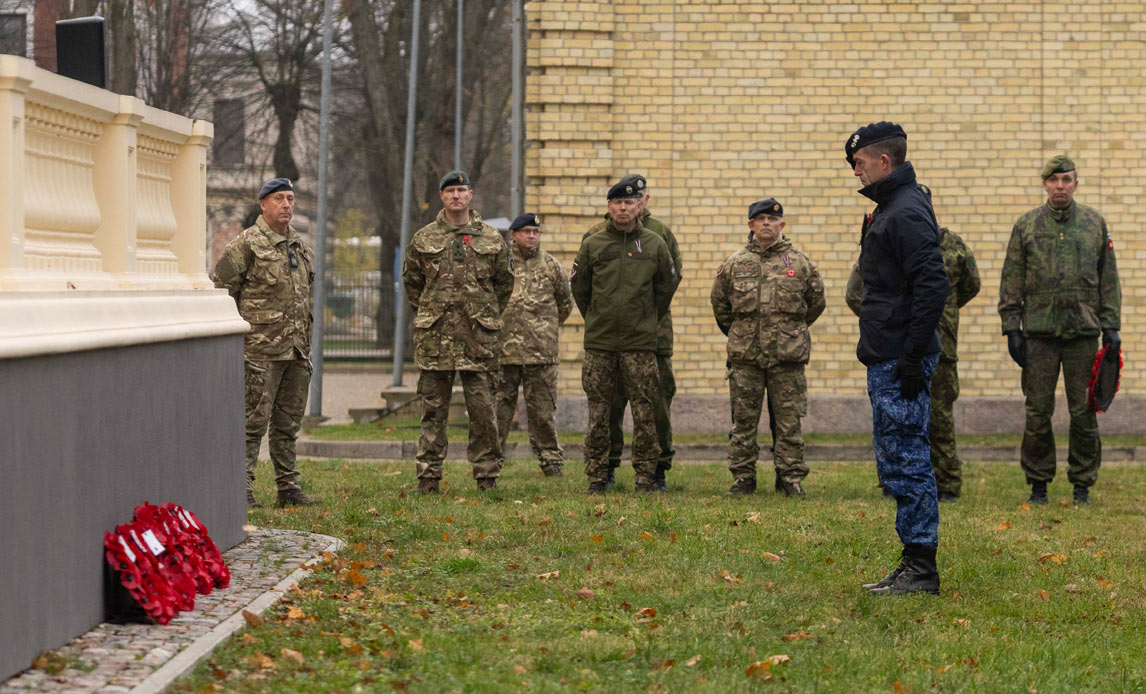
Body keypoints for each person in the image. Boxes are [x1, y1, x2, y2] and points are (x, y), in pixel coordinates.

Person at [844, 122, 950, 595]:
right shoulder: (892, 206)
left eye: (859, 165)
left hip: (898, 359)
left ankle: (922, 569)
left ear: (883, 162)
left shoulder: (904, 210)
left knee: (907, 460)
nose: (857, 175)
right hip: (887, 354)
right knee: (896, 459)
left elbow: (934, 284)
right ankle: (913, 561)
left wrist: (910, 357)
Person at [998, 155, 1121, 506]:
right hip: (1039, 335)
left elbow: (1108, 280)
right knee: (1037, 411)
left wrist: (1112, 327)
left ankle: (1082, 484)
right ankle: (1039, 485)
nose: (1060, 186)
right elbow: (1012, 280)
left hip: (1083, 332)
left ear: (1076, 183)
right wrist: (1012, 327)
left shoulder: (1095, 224)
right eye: (1054, 180)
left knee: (1083, 411)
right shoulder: (1026, 226)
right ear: (1044, 184)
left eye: (1066, 179)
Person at [846, 185, 981, 502]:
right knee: (895, 417)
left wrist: (942, 312)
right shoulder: (885, 238)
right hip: (895, 345)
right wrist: (883, 321)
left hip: (941, 350)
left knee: (940, 418)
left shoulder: (953, 245)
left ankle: (946, 485)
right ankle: (894, 484)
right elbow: (856, 293)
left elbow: (971, 286)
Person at [402, 170, 514, 493]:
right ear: (442, 196)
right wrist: (431, 313)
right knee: (433, 409)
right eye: (450, 191)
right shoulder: (424, 239)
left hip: (478, 339)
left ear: (471, 195)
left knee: (483, 410)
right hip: (435, 339)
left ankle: (486, 475)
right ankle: (428, 476)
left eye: (461, 190)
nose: (456, 196)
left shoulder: (491, 239)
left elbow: (504, 285)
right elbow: (412, 284)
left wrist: (484, 315)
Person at [213, 178, 320, 509]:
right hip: (260, 352)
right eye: (279, 199)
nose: (287, 204)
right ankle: (240, 486)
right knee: (251, 424)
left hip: (297, 350)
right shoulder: (244, 246)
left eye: (290, 198)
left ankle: (288, 488)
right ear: (263, 204)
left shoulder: (301, 248)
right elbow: (222, 293)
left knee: (288, 424)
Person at [711, 198, 825, 496]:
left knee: (789, 422)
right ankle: (743, 478)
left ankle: (789, 477)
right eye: (759, 219)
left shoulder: (800, 263)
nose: (766, 224)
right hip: (746, 357)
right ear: (750, 225)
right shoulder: (734, 264)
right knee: (744, 423)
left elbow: (815, 303)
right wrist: (742, 332)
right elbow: (721, 306)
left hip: (787, 358)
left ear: (781, 225)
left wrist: (789, 332)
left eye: (772, 220)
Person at [572, 177, 679, 494]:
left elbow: (666, 287)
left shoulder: (656, 243)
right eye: (617, 202)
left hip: (640, 345)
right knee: (600, 413)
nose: (623, 207)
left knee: (645, 413)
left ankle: (646, 476)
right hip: (600, 345)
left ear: (640, 205)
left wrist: (646, 318)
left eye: (630, 202)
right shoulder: (593, 244)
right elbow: (580, 289)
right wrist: (598, 317)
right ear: (609, 206)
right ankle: (598, 474)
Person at [496, 213, 573, 477]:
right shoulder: (499, 264)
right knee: (498, 410)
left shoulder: (551, 266)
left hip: (541, 353)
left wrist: (543, 330)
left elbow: (565, 304)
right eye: (526, 231)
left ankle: (551, 462)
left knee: (543, 412)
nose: (532, 236)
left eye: (536, 231)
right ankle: (491, 461)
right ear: (514, 234)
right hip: (503, 352)